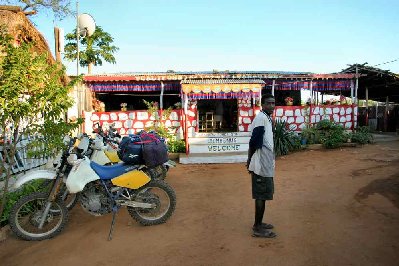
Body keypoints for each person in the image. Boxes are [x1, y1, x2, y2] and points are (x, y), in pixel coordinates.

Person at [246, 93, 277, 238]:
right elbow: (253, 143)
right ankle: (257, 228)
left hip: (266, 162)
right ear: (262, 104)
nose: (271, 106)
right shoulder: (260, 118)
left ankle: (259, 223)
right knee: (260, 195)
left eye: (273, 103)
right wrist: (249, 161)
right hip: (260, 163)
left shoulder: (266, 118)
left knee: (264, 194)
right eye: (268, 103)